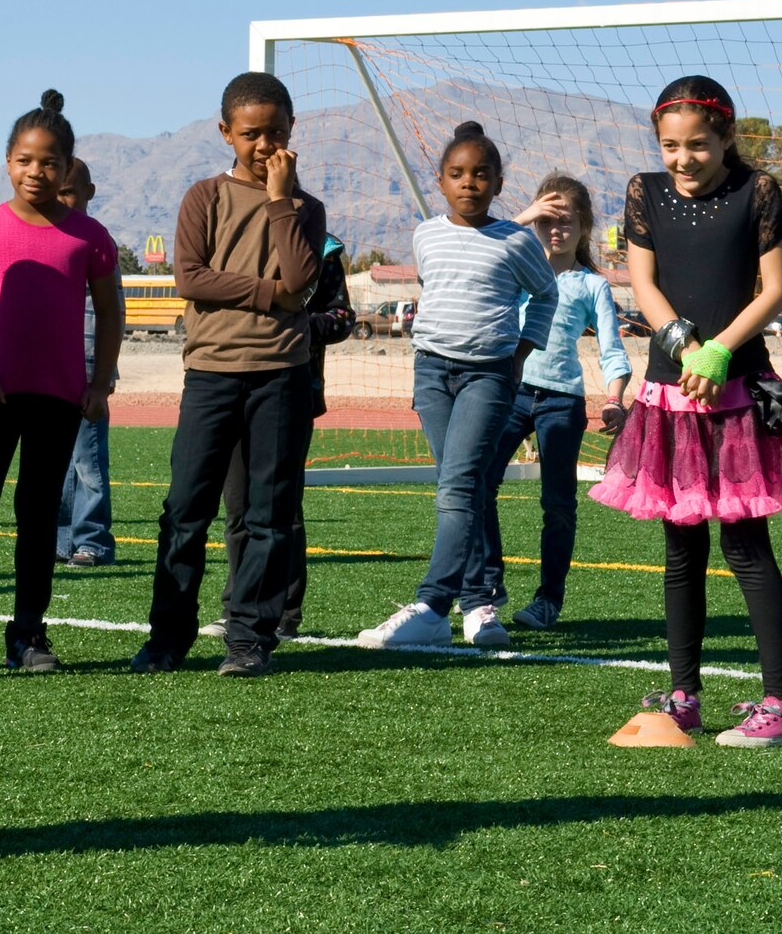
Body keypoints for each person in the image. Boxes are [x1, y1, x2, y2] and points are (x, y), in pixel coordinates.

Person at [590, 76, 782, 748]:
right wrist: (683, 347)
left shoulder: (759, 192)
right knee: (680, 550)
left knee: (747, 546)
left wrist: (721, 350)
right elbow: (643, 283)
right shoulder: (645, 192)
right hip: (670, 393)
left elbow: (776, 288)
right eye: (670, 145)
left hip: (738, 391)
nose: (682, 158)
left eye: (698, 145)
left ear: (727, 139)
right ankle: (685, 693)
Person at [133, 72, 326, 678]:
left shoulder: (306, 209)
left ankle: (249, 639)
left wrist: (278, 200)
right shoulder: (204, 197)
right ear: (225, 133)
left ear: (293, 131)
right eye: (250, 134)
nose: (264, 144)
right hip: (211, 374)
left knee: (267, 515)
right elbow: (191, 278)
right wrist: (271, 294)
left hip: (282, 376)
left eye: (275, 132)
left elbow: (302, 280)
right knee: (186, 510)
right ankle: (168, 637)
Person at [358, 123, 558, 651]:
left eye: (480, 174)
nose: (468, 182)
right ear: (441, 182)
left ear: (498, 183)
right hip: (431, 374)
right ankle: (478, 603)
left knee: (457, 487)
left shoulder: (517, 240)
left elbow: (546, 297)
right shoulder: (426, 235)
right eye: (457, 173)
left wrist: (518, 354)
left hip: (488, 376)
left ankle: (432, 603)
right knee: (462, 487)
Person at [0, 92, 121, 671]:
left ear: (68, 168)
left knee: (39, 515)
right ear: (7, 161)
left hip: (60, 399)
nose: (36, 171)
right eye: (25, 160)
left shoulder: (90, 237)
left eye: (50, 162)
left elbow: (112, 312)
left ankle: (27, 634)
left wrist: (100, 385)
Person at [475, 172, 631, 634]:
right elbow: (483, 248)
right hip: (509, 392)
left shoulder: (592, 286)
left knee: (558, 504)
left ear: (585, 228)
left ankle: (548, 601)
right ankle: (488, 583)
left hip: (562, 400)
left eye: (568, 221)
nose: (556, 230)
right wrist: (524, 218)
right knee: (478, 483)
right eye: (547, 220)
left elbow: (612, 348)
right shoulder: (514, 266)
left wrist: (615, 399)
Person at [202, 230, 355, 641]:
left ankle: (284, 612)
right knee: (236, 506)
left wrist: (294, 320)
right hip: (228, 383)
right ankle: (238, 607)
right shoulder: (228, 236)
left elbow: (342, 318)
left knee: (281, 506)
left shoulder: (319, 248)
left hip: (293, 389)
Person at [55, 158, 121, 568]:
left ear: (89, 193)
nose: (62, 200)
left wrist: (103, 375)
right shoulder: (45, 240)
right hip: (51, 372)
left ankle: (93, 540)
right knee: (59, 463)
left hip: (88, 370)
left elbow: (113, 311)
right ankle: (62, 538)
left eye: (69, 192)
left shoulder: (96, 241)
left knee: (88, 459)